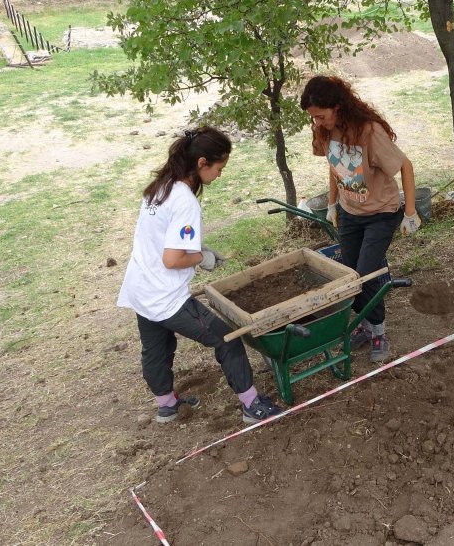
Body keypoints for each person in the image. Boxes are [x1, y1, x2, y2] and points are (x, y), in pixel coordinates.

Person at [117, 126, 283, 424]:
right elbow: (172, 259)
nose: (220, 175)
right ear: (202, 162)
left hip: (140, 288)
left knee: (156, 348)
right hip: (165, 296)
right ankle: (252, 406)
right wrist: (200, 257)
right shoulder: (184, 201)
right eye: (219, 168)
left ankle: (167, 405)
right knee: (227, 339)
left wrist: (197, 248)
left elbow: (163, 240)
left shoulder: (160, 187)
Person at [300, 75, 421, 363]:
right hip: (350, 213)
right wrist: (332, 204)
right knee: (349, 275)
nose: (317, 122)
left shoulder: (369, 131)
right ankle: (365, 326)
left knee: (366, 276)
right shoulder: (325, 131)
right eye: (313, 118)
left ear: (338, 106)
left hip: (381, 213)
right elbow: (335, 168)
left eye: (321, 116)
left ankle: (378, 332)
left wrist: (410, 212)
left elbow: (405, 165)